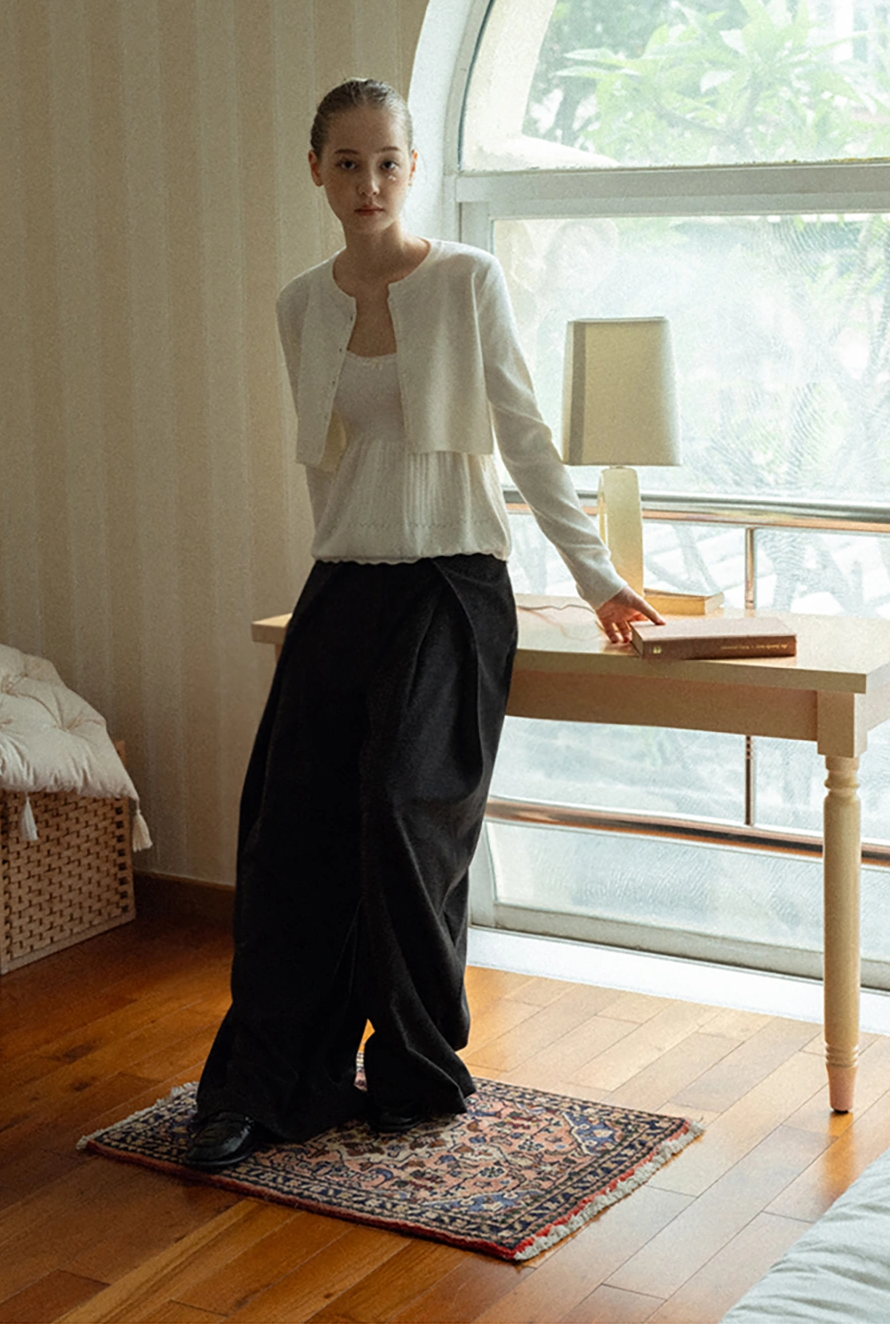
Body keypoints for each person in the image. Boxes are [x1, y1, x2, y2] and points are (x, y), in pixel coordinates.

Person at [185, 79, 662, 1171]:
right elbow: (336, 476)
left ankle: (414, 1067)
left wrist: (595, 578)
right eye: (346, 162)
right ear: (315, 169)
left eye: (387, 162)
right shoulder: (300, 302)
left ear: (413, 170)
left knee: (400, 813)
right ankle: (267, 1083)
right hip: (343, 583)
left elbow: (525, 438)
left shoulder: (463, 282)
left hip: (451, 583)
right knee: (285, 828)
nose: (368, 183)